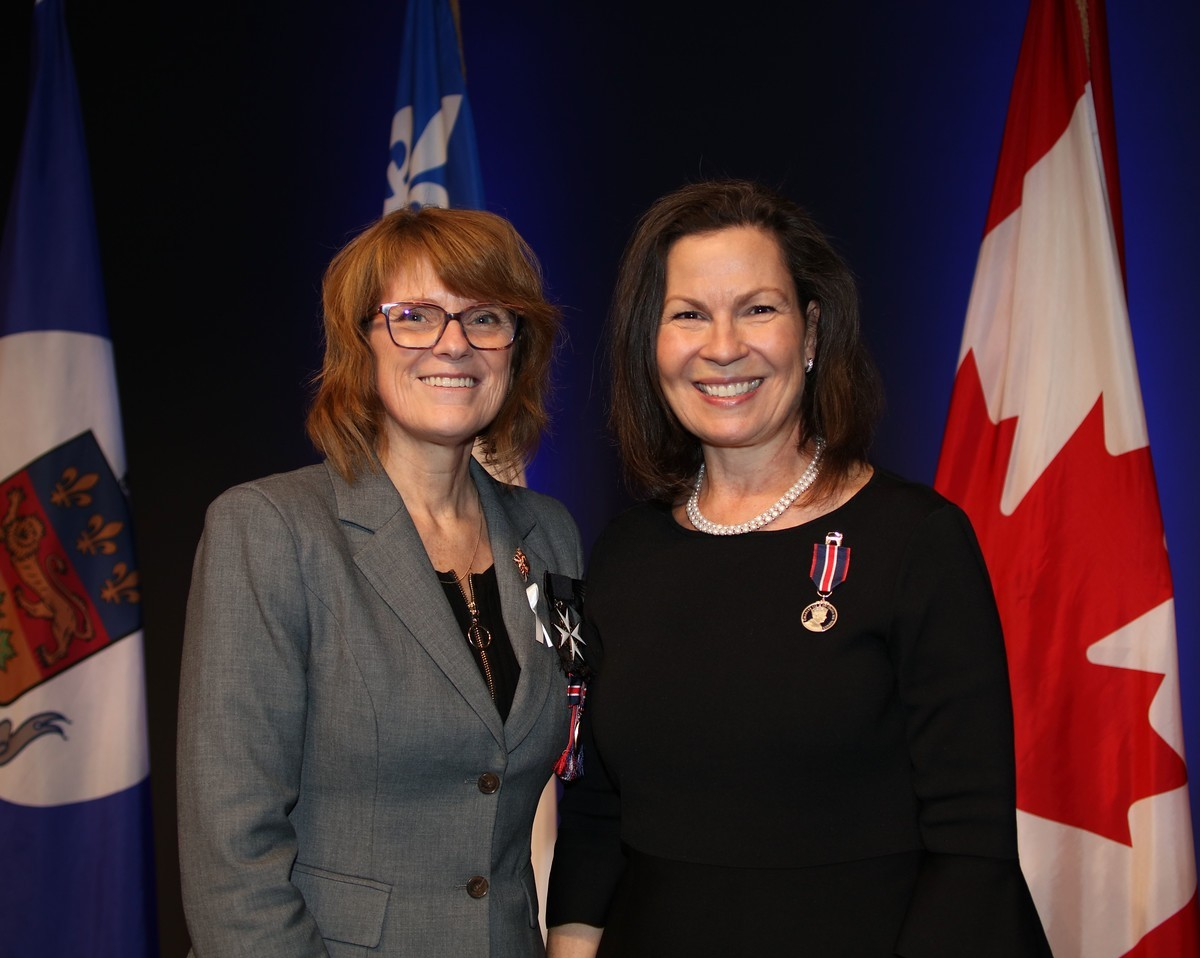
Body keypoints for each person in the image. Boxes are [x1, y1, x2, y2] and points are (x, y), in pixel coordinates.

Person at [545, 179, 1053, 957]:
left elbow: (970, 850)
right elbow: (593, 815)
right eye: (688, 314)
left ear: (810, 334)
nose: (723, 346)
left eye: (759, 308)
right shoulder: (618, 555)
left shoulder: (918, 541)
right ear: (652, 342)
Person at [177, 206, 586, 958]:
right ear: (361, 341)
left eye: (484, 317)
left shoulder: (550, 533)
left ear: (516, 347)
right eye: (414, 316)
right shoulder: (269, 528)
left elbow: (573, 750)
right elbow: (231, 851)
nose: (452, 343)